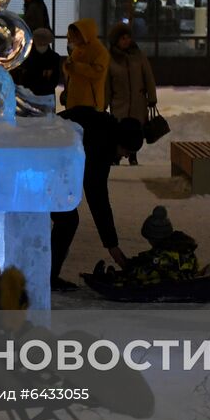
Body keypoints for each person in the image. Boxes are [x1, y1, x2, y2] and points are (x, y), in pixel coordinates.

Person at [50, 104, 127, 291]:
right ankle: (47, 277)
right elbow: (97, 195)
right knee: (67, 220)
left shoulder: (102, 129)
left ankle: (47, 274)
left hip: (46, 158)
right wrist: (112, 245)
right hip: (42, 162)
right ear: (120, 142)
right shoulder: (100, 143)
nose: (125, 156)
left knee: (66, 218)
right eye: (127, 151)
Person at [107, 22, 158, 165]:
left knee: (135, 129)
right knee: (120, 129)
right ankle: (117, 154)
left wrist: (152, 97)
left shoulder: (139, 56)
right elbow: (107, 83)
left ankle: (133, 154)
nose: (126, 41)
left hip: (137, 101)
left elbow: (148, 77)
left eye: (128, 37)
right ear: (116, 40)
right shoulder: (110, 59)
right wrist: (104, 102)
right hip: (120, 102)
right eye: (123, 38)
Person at [61, 18, 108, 110]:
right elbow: (70, 71)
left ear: (85, 34)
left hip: (91, 101)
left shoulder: (99, 50)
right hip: (74, 100)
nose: (73, 38)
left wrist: (76, 67)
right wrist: (67, 67)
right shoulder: (77, 49)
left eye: (76, 34)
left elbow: (97, 72)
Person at [10, 26, 63, 106]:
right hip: (29, 94)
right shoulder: (26, 56)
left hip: (46, 95)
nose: (41, 41)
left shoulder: (54, 57)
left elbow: (55, 79)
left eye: (44, 38)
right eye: (39, 38)